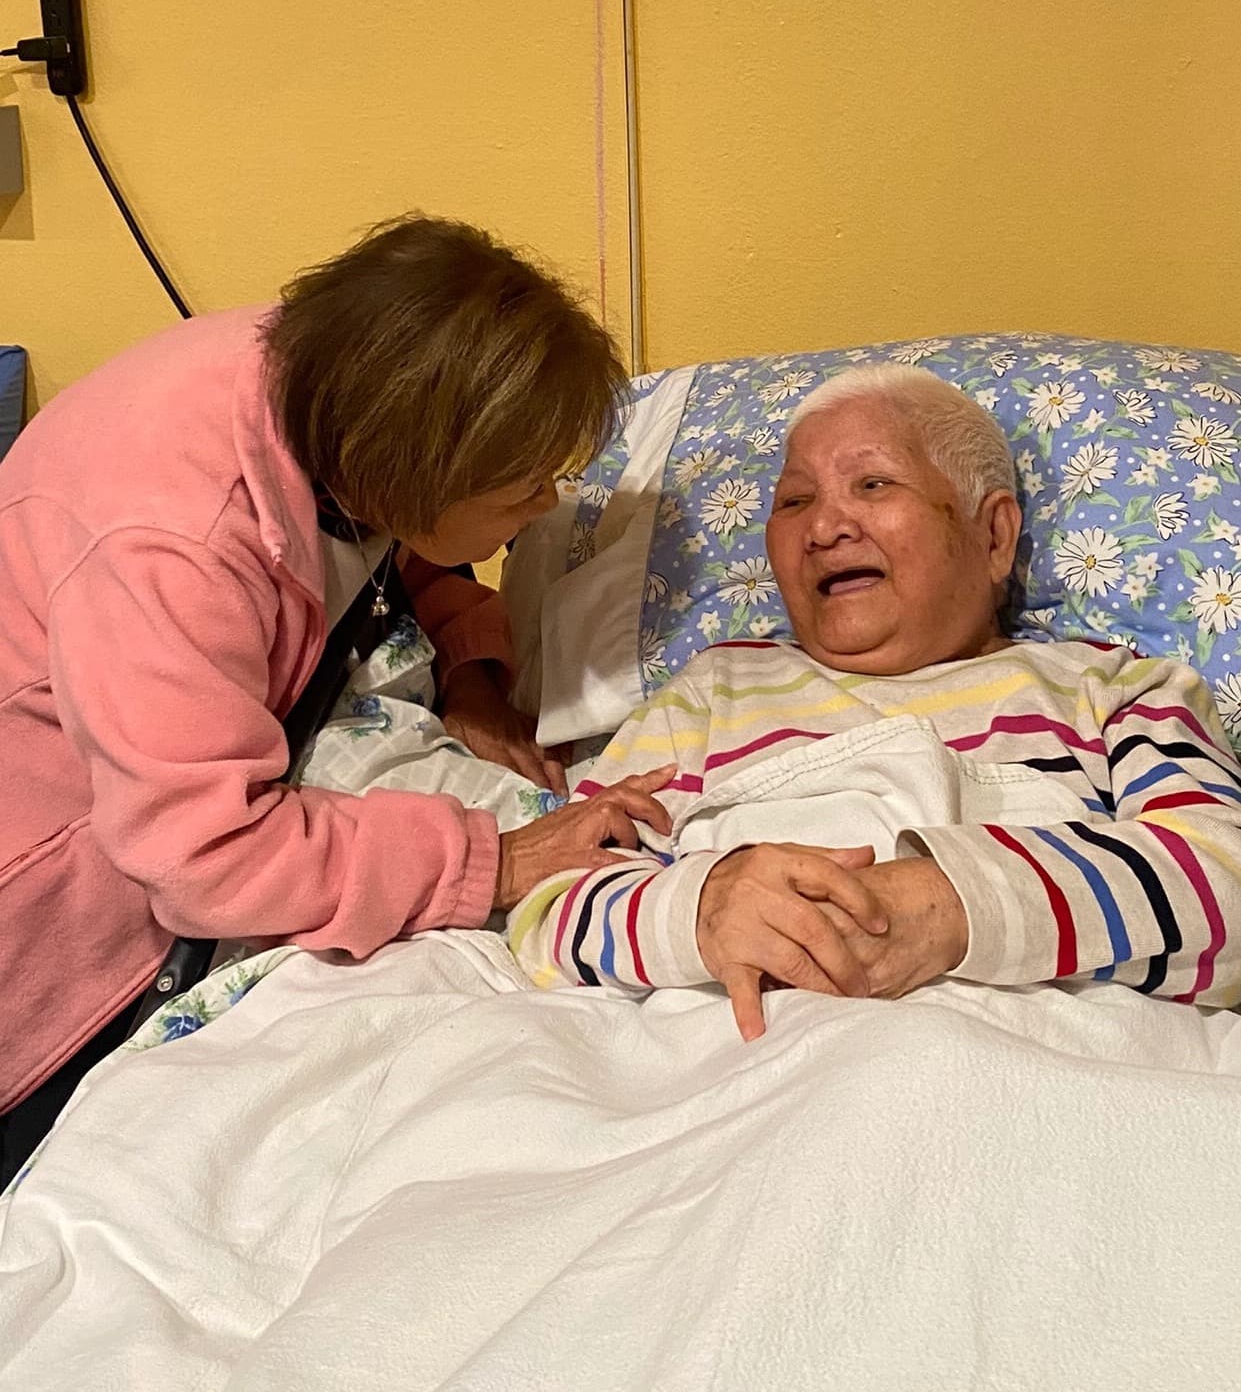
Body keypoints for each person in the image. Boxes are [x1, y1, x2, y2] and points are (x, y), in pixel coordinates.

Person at [0, 215, 671, 1160]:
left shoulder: (341, 384)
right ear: (417, 474)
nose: (545, 508)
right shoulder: (171, 545)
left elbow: (399, 538)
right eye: (525, 486)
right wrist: (491, 861)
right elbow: (203, 855)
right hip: (46, 927)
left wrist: (474, 667)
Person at [508, 364, 1241, 1039]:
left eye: (873, 485)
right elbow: (549, 899)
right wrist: (698, 911)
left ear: (993, 536)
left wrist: (955, 904)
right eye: (795, 500)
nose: (824, 528)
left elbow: (1225, 877)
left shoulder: (1111, 692)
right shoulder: (710, 695)